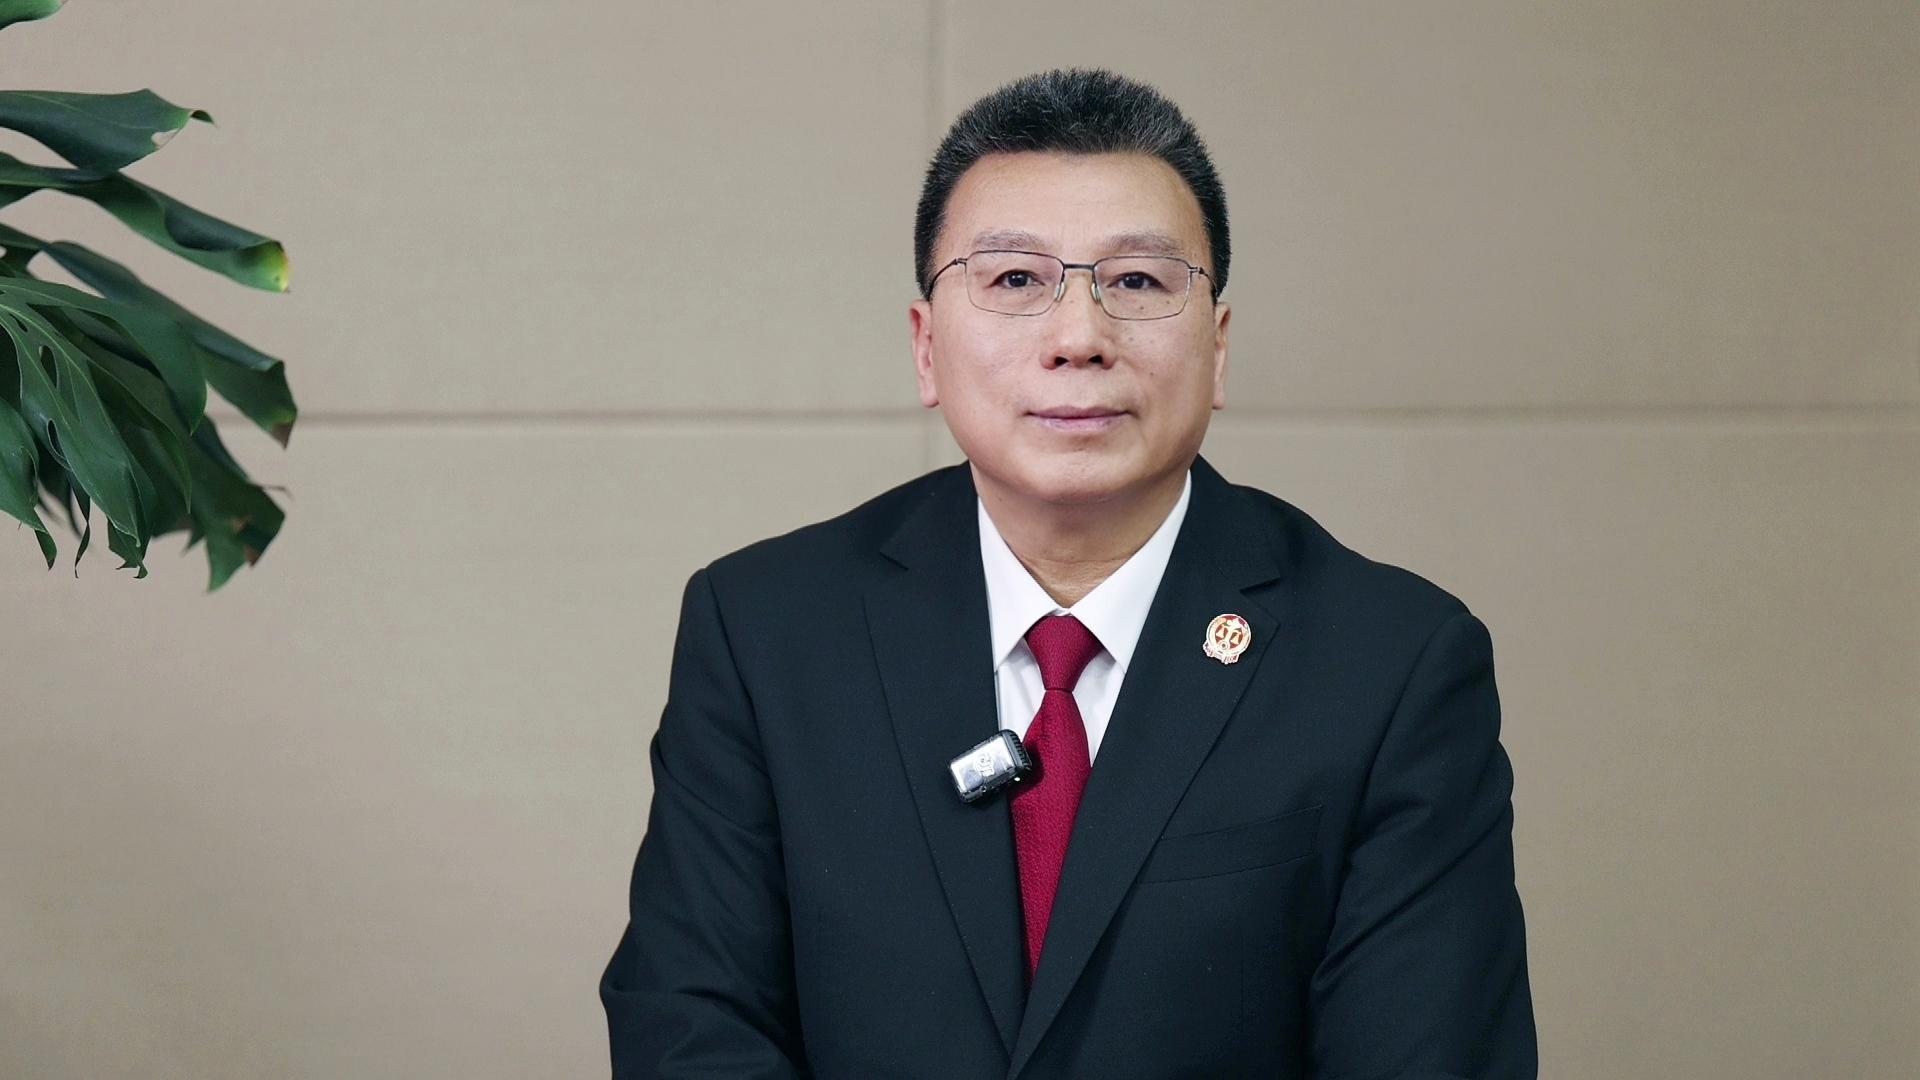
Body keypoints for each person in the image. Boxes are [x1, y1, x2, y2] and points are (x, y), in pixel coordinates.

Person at [601, 67, 1538, 1079]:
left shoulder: (1389, 663)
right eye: (1014, 280)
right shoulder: (768, 631)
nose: (1078, 338)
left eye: (1137, 282)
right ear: (926, 347)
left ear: (1218, 346)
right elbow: (689, 1021)